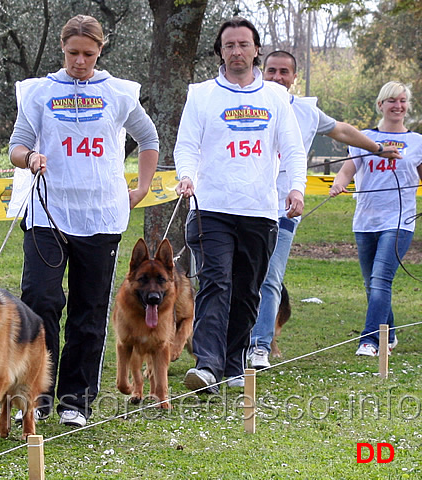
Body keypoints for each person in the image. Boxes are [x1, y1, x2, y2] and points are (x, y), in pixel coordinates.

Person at [8, 15, 158, 427]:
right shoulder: (40, 92)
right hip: (47, 213)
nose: (80, 61)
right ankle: (35, 394)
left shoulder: (117, 93)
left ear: (100, 51)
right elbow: (17, 145)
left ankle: (77, 400)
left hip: (101, 215)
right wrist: (30, 157)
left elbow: (149, 139)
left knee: (89, 310)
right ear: (63, 49)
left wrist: (142, 187)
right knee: (40, 300)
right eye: (73, 53)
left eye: (88, 54)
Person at [174, 17, 307, 393]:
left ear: (255, 50)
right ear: (220, 51)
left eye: (243, 44)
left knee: (248, 289)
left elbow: (293, 150)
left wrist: (295, 188)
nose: (236, 51)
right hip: (211, 206)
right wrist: (187, 174)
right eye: (229, 45)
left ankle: (233, 362)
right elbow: (186, 145)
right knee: (216, 281)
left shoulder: (276, 98)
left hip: (259, 210)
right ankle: (207, 366)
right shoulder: (201, 95)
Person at [247, 51, 401, 369]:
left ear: (293, 77)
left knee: (270, 277)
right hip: (241, 206)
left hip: (285, 208)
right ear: (261, 71)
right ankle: (228, 344)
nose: (277, 77)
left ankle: (259, 346)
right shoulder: (245, 104)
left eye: (284, 72)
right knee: (239, 277)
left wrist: (377, 148)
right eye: (272, 70)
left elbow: (342, 130)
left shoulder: (305, 111)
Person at [330, 81, 422, 357]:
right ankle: (389, 333)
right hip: (365, 221)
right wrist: (338, 184)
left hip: (399, 222)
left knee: (381, 279)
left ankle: (370, 341)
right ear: (381, 104)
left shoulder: (417, 141)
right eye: (392, 100)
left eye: (403, 101)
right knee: (372, 283)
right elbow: (347, 170)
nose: (398, 106)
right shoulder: (364, 137)